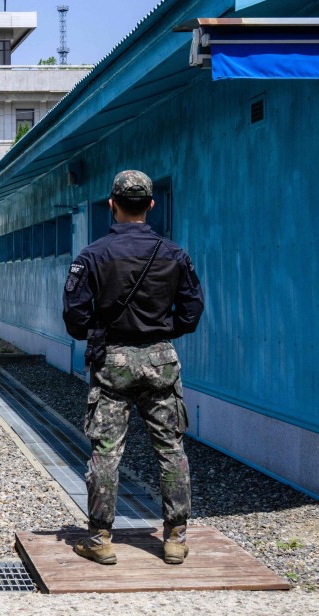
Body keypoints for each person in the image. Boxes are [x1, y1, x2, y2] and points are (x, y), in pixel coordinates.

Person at [62, 170, 204, 566]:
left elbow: (74, 318)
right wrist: (161, 330)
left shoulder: (92, 255)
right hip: (160, 359)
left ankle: (100, 538)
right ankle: (175, 537)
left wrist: (100, 329)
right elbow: (192, 312)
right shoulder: (174, 253)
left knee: (106, 451)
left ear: (113, 204)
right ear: (151, 205)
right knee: (171, 448)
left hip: (113, 361)